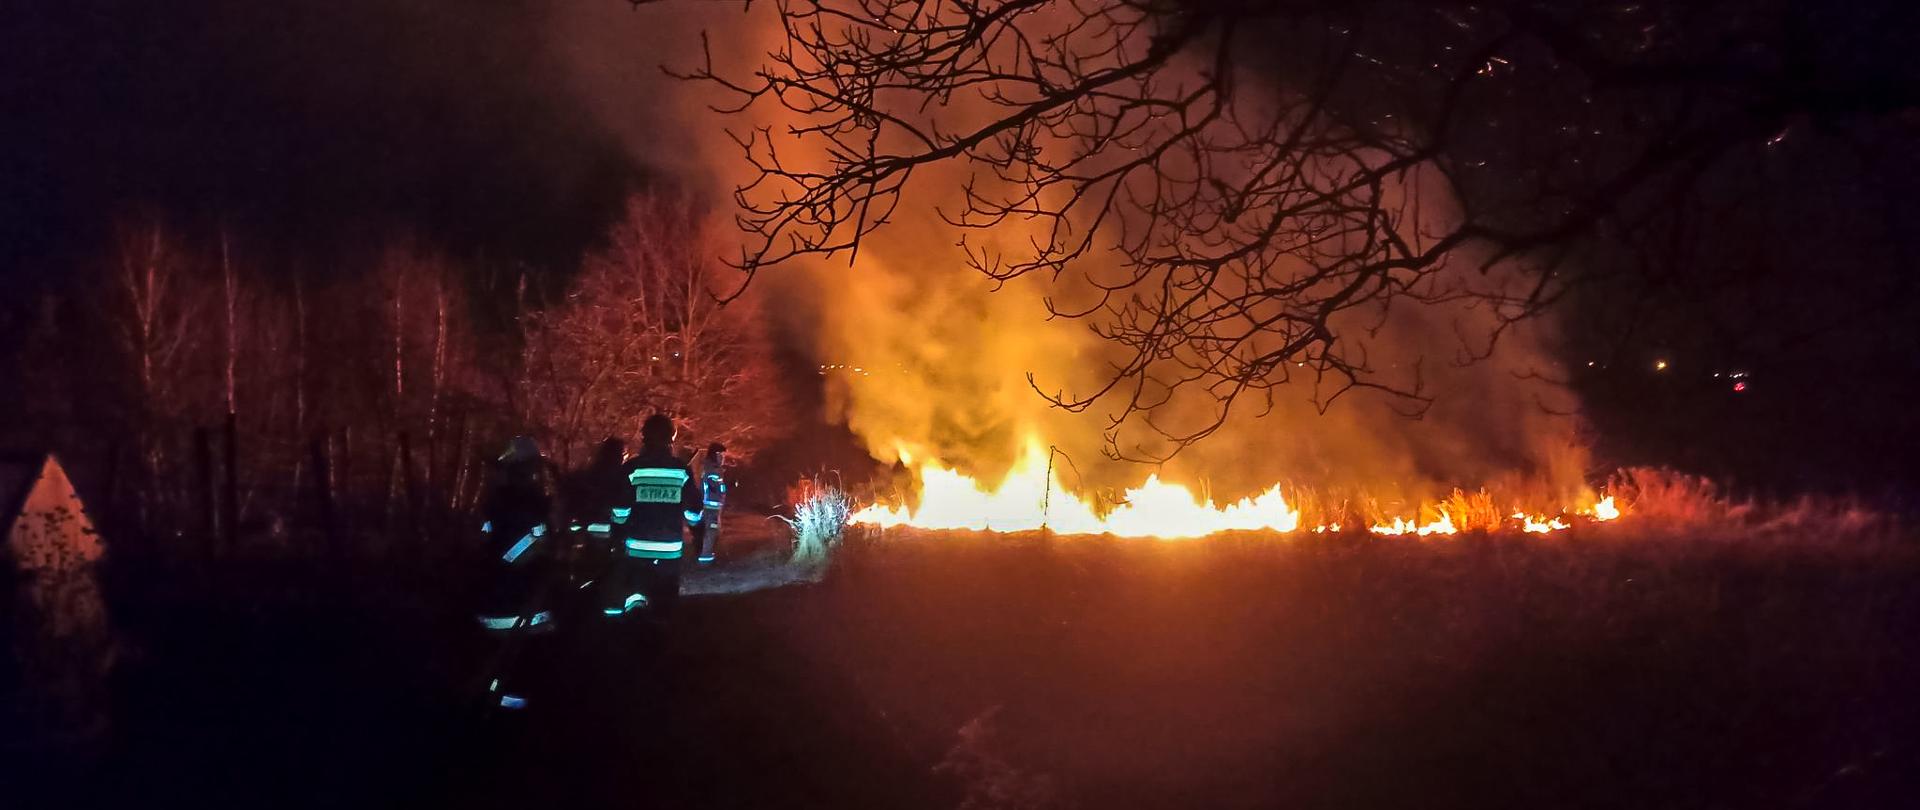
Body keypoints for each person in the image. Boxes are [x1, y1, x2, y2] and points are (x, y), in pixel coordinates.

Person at [474, 436, 559, 711]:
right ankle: (514, 719)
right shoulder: (532, 503)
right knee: (524, 667)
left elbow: (482, 541)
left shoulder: (492, 502)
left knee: (495, 664)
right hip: (520, 602)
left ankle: (491, 703)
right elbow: (534, 545)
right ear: (527, 470)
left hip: (489, 600)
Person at [603, 414, 703, 620]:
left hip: (637, 551)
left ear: (644, 438)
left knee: (634, 604)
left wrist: (616, 536)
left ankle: (631, 639)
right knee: (665, 608)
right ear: (671, 438)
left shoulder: (632, 468)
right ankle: (661, 642)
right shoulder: (681, 471)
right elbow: (693, 514)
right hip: (669, 553)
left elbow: (620, 511)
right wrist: (698, 537)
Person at [695, 443, 727, 565]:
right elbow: (713, 488)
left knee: (712, 531)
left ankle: (707, 555)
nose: (723, 458)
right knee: (711, 531)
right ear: (716, 455)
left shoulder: (714, 468)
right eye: (722, 455)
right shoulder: (712, 469)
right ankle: (705, 558)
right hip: (711, 505)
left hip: (714, 505)